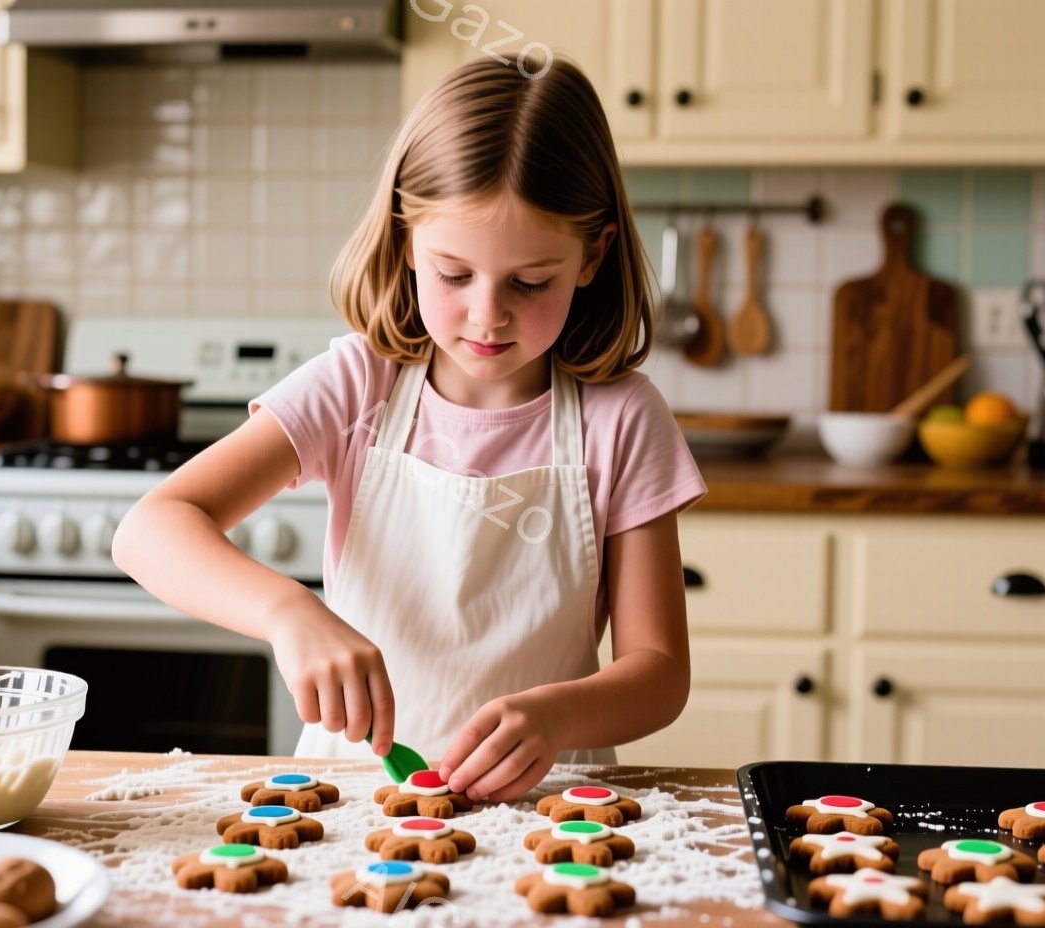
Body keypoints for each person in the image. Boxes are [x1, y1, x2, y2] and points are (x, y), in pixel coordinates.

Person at [111, 55, 705, 804]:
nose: (488, 314)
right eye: (454, 274)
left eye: (530, 282)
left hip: (555, 807)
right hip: (354, 799)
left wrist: (558, 715)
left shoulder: (620, 419)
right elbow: (150, 528)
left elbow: (659, 670)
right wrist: (288, 612)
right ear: (404, 241)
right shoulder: (359, 385)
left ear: (593, 255)